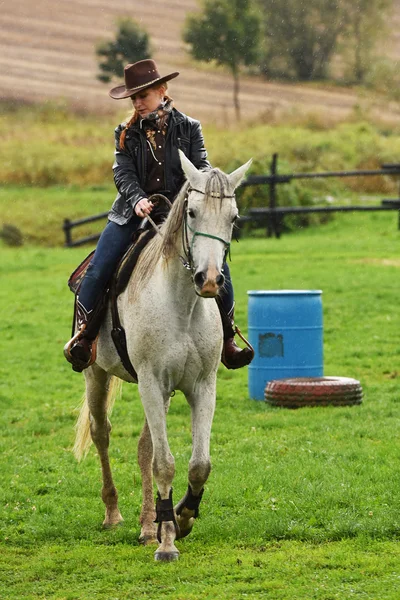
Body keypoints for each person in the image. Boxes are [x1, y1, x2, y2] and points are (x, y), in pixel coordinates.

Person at [64, 59, 254, 372]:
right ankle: (85, 336)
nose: (138, 102)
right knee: (98, 269)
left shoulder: (189, 127)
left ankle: (229, 338)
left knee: (217, 265)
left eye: (144, 95)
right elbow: (123, 172)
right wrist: (136, 198)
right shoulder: (124, 133)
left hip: (179, 216)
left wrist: (201, 190)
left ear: (162, 91)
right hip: (130, 214)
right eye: (133, 97)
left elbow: (202, 166)